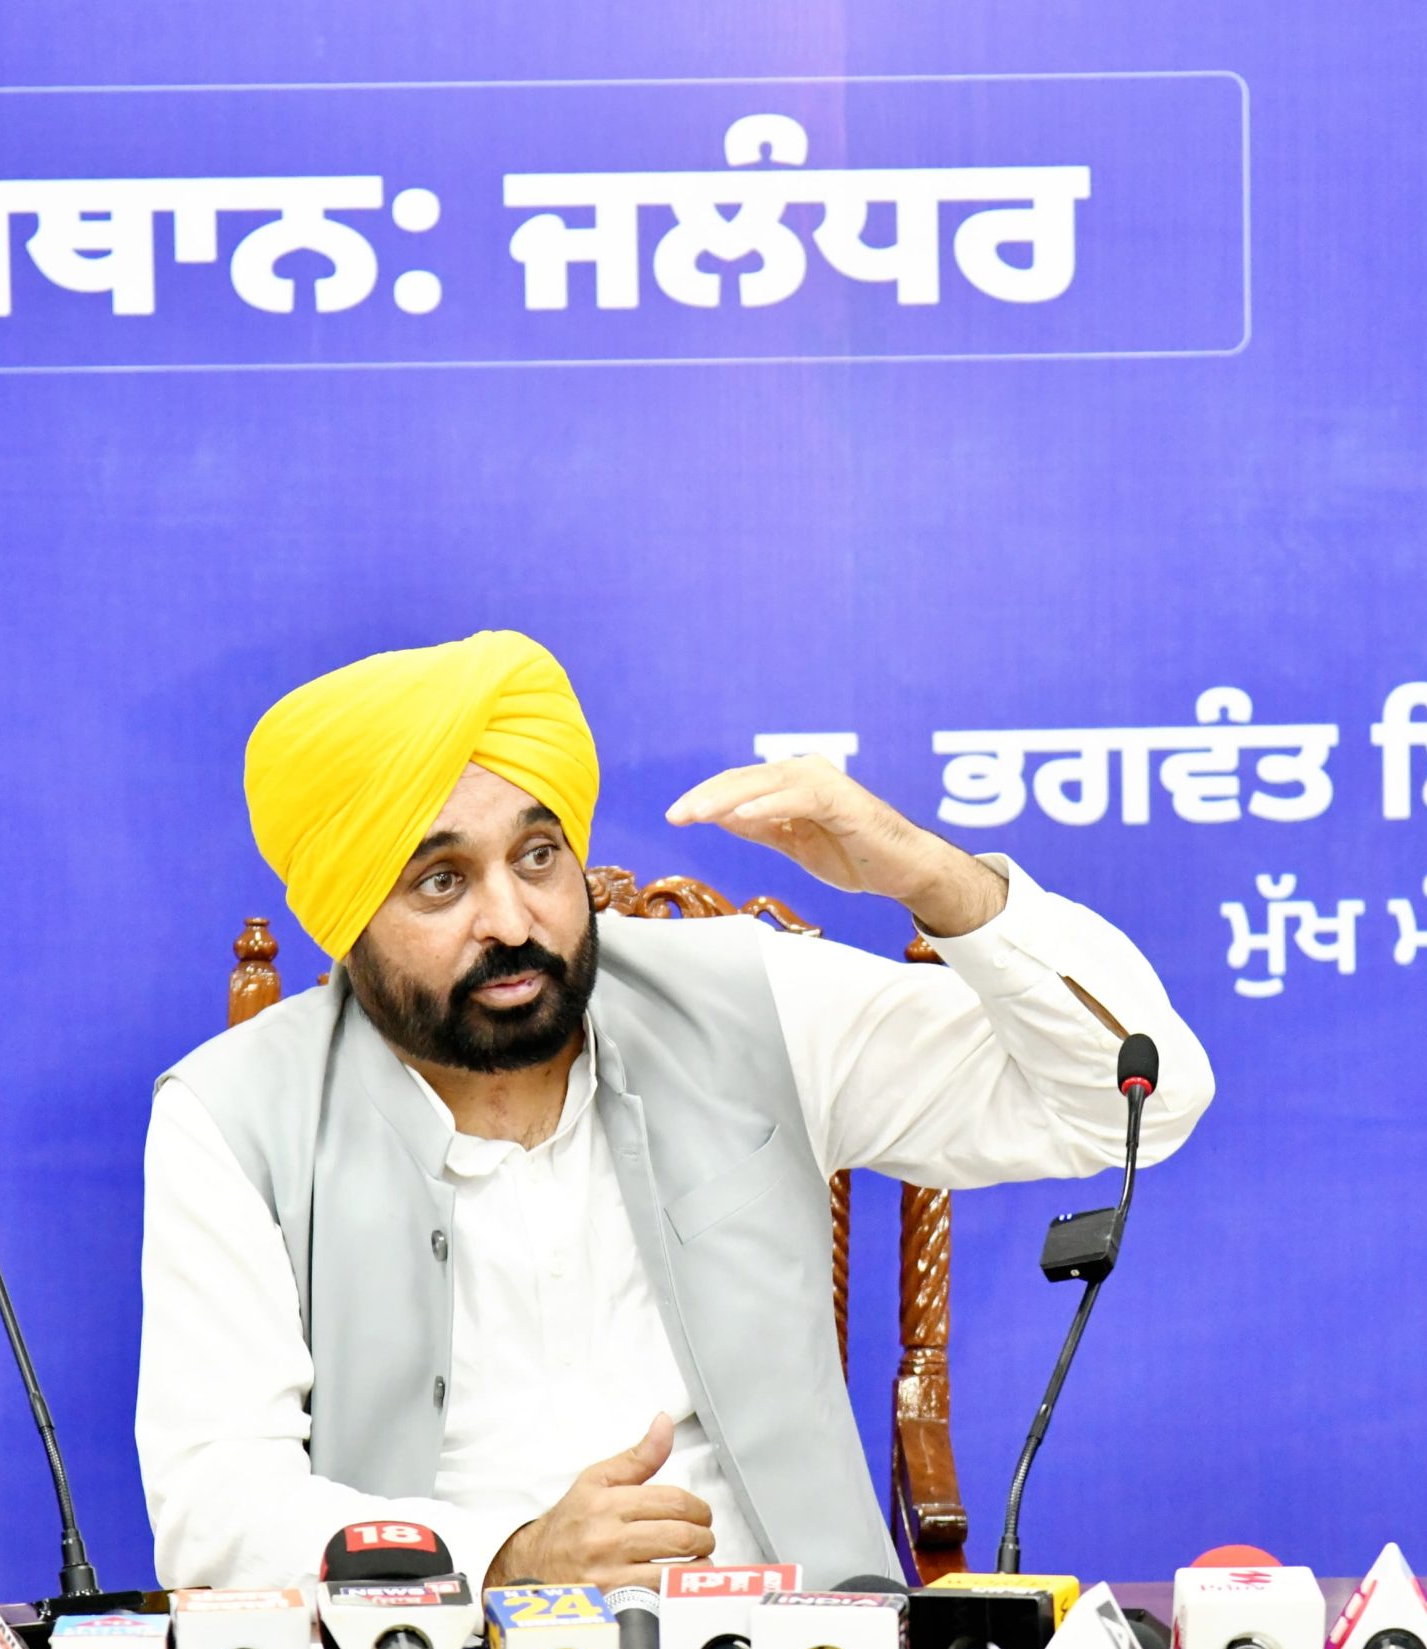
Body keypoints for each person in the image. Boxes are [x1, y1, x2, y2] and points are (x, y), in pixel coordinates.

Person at [137, 631, 1210, 1594]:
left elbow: (1134, 1102)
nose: (512, 920)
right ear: (345, 919)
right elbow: (214, 1510)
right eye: (441, 883)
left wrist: (934, 879)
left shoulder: (750, 997)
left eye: (538, 857)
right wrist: (510, 1557)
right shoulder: (232, 1116)